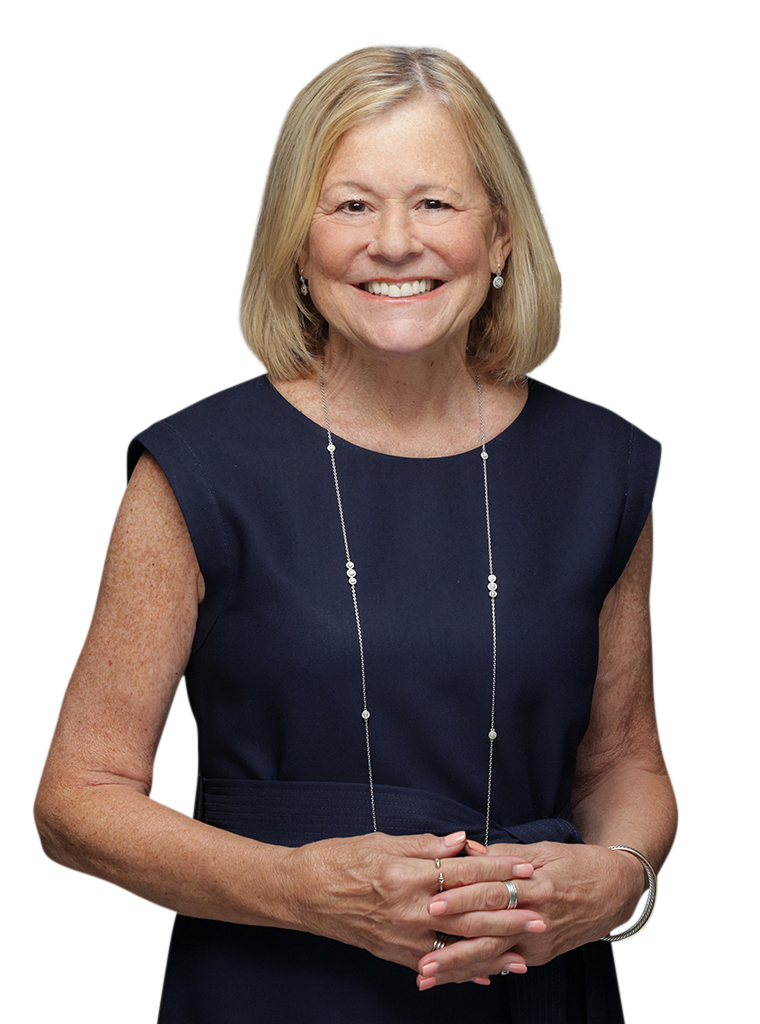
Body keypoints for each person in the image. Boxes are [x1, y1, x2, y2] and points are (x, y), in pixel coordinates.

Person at [33, 45, 679, 1022]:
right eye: (350, 205)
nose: (395, 242)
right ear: (297, 244)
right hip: (273, 991)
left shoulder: (603, 466)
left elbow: (623, 762)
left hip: (534, 986)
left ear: (500, 237)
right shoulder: (194, 468)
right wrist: (299, 890)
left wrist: (623, 877)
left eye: (435, 202)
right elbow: (78, 801)